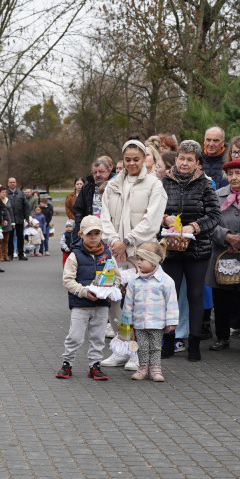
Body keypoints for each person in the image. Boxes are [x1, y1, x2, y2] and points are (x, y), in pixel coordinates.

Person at [98, 139, 167, 372]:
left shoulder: (154, 185)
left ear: (144, 158)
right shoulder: (113, 185)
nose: (132, 163)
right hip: (115, 252)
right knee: (115, 301)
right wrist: (114, 241)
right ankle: (121, 348)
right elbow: (104, 217)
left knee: (140, 303)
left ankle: (138, 353)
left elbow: (152, 220)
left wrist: (128, 241)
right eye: (127, 159)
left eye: (136, 159)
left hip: (141, 252)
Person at [159, 140, 221, 361]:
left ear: (197, 163)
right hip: (171, 249)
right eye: (182, 158)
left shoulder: (205, 184)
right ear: (176, 160)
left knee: (195, 295)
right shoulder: (163, 183)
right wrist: (164, 220)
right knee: (170, 296)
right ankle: (168, 340)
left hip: (197, 249)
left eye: (190, 160)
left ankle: (194, 342)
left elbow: (215, 215)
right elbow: (153, 212)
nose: (185, 163)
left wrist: (194, 227)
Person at [207, 160, 240, 353]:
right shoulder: (217, 196)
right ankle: (222, 337)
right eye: (230, 174)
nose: (234, 177)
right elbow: (210, 221)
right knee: (221, 296)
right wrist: (226, 236)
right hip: (222, 252)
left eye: (238, 173)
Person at [56, 216, 113, 381]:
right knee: (75, 336)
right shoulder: (75, 255)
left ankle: (95, 365)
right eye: (89, 234)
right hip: (81, 304)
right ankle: (67, 363)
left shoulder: (108, 254)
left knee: (98, 336)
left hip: (101, 304)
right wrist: (83, 291)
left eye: (97, 233)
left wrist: (112, 290)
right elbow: (67, 280)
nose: (93, 237)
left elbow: (115, 276)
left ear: (101, 234)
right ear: (81, 234)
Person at [127, 241, 179, 382]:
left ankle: (155, 369)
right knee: (142, 347)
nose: (138, 262)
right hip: (139, 322)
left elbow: (172, 303)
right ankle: (143, 368)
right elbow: (128, 304)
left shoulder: (166, 281)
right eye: (137, 259)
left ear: (153, 261)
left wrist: (172, 321)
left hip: (157, 322)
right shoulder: (134, 281)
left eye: (142, 259)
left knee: (156, 346)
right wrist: (127, 322)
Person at [70, 158, 112, 234]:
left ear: (109, 171)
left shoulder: (115, 186)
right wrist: (80, 228)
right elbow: (78, 209)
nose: (98, 175)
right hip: (91, 230)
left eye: (101, 172)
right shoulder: (87, 187)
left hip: (110, 229)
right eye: (95, 173)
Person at [5, 177, 29, 259]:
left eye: (14, 182)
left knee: (20, 237)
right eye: (10, 182)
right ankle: (10, 254)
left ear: (16, 183)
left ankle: (21, 254)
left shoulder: (21, 193)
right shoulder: (6, 194)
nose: (12, 184)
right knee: (10, 238)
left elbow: (26, 206)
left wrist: (27, 217)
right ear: (8, 183)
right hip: (10, 219)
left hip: (19, 218)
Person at [0, 183, 14, 263]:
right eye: (2, 192)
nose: (4, 193)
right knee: (0, 240)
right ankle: (0, 255)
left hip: (8, 222)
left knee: (6, 240)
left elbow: (11, 212)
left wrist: (12, 222)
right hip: (0, 222)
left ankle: (5, 255)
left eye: (5, 192)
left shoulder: (8, 200)